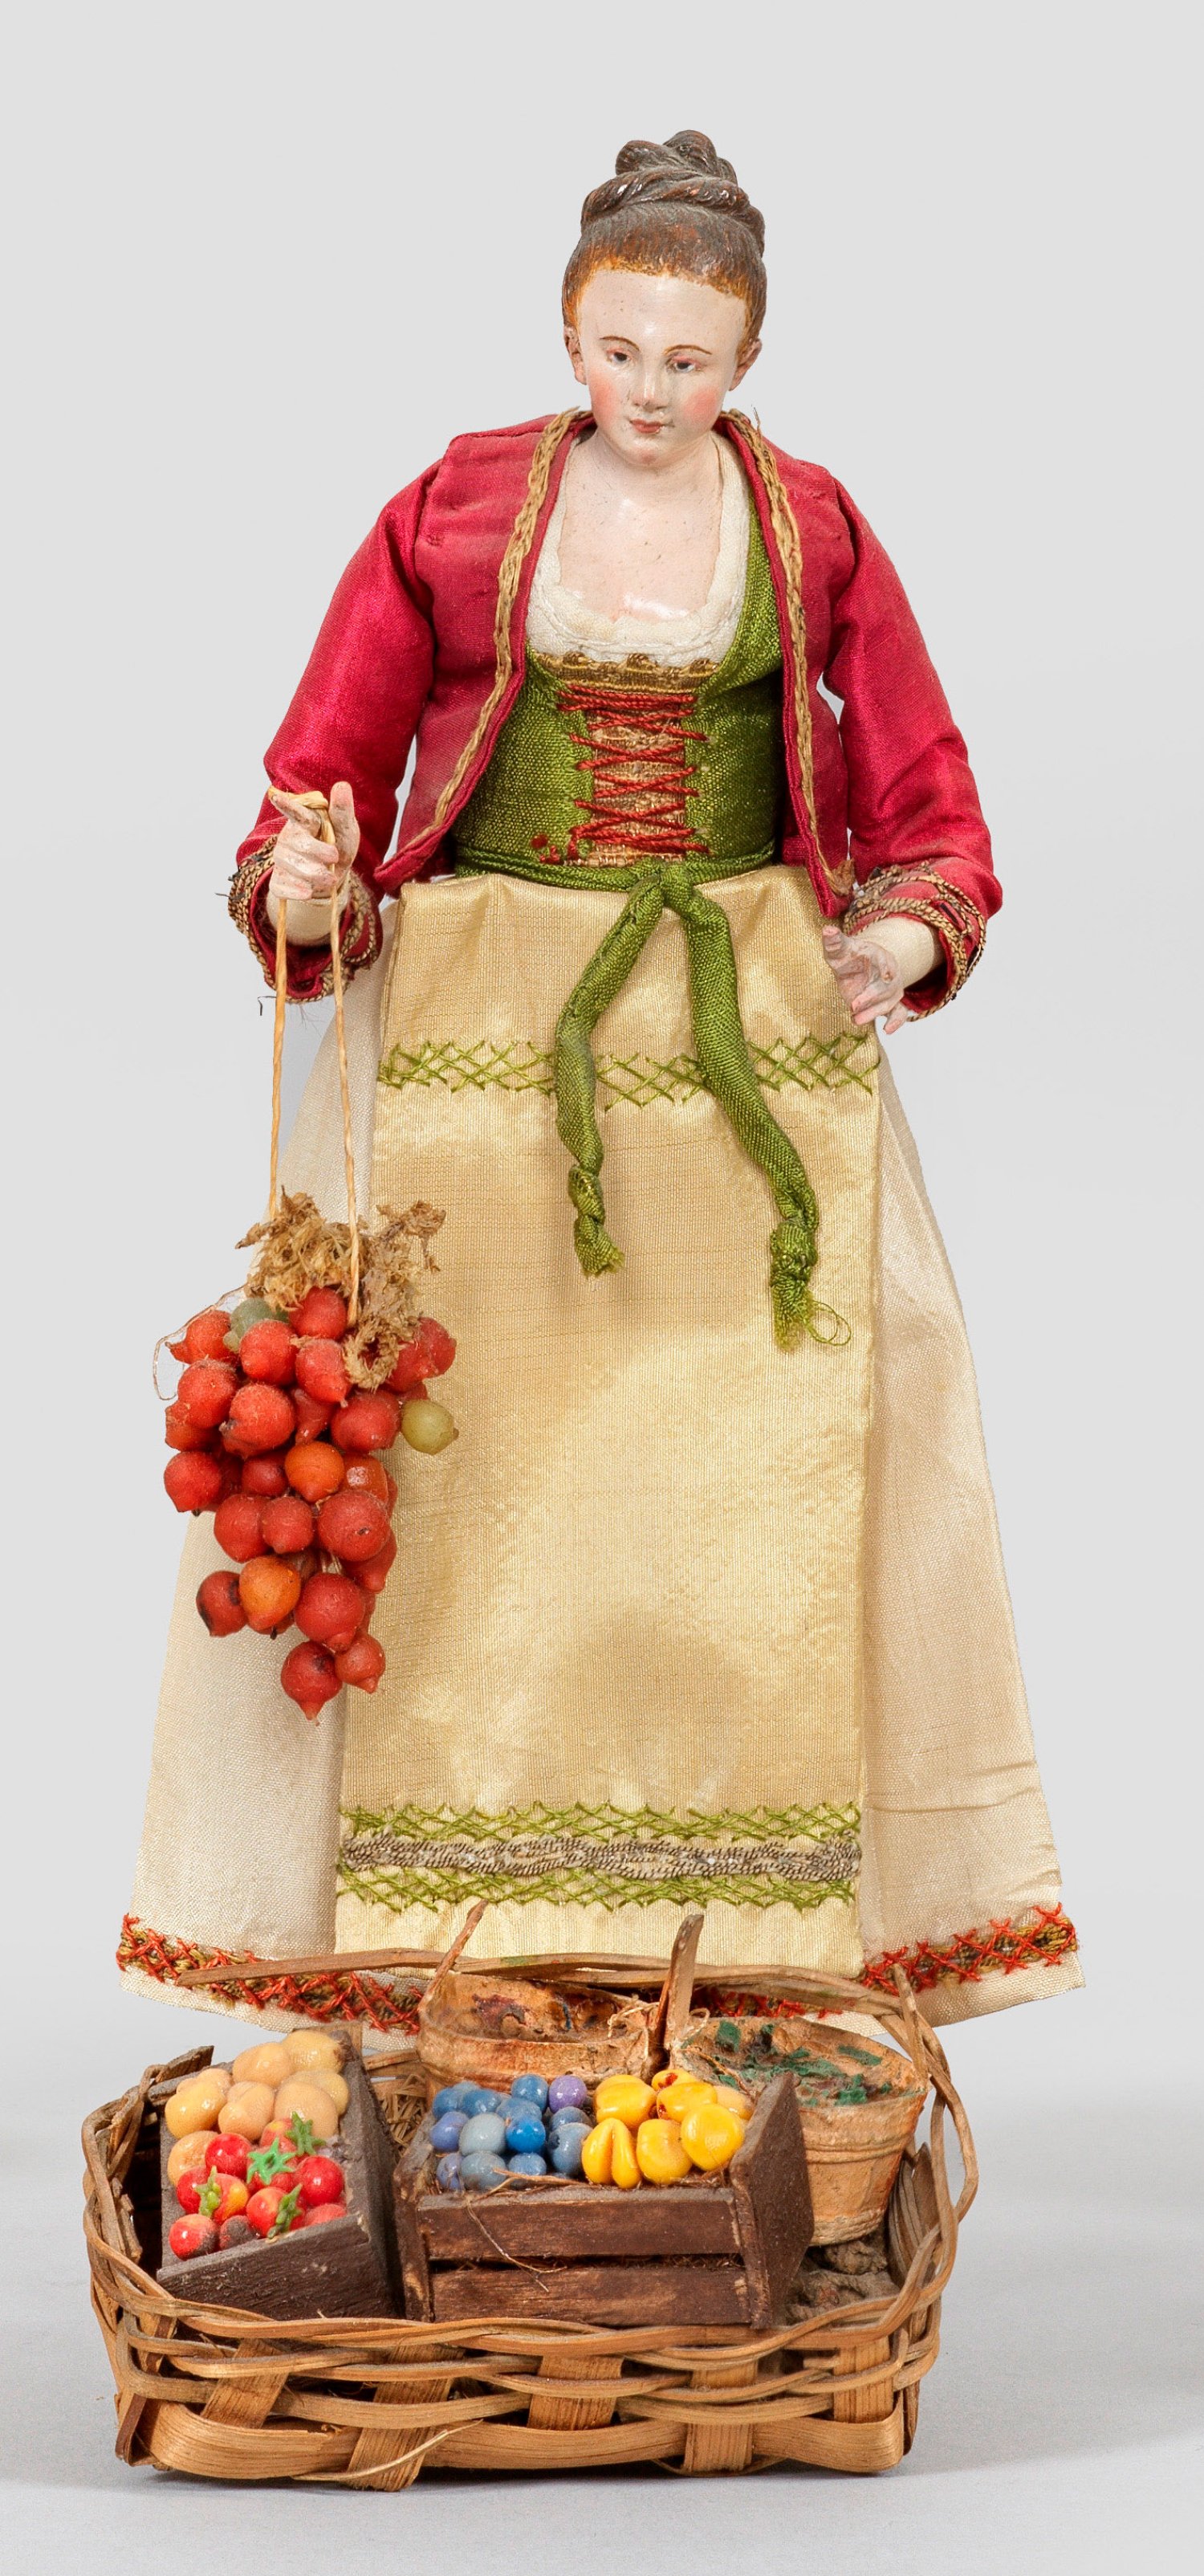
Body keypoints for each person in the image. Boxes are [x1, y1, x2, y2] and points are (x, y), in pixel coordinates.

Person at [124, 132, 1078, 2031]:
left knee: (757, 1467)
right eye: (621, 350)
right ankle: (462, 1952)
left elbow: (925, 781)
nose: (651, 389)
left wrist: (905, 928)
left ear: (747, 360)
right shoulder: (458, 508)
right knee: (472, 1469)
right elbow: (327, 763)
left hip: (740, 1028)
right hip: (486, 1021)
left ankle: (747, 1955)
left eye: (690, 360)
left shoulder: (810, 526)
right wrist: (305, 877)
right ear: (570, 337)